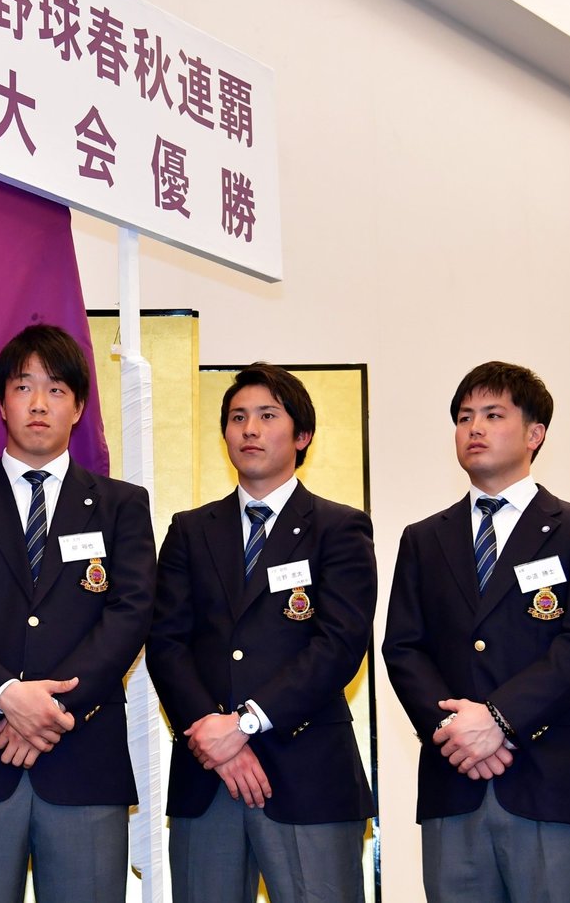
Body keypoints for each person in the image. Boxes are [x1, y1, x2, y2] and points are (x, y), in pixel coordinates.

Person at [0, 324, 156, 903]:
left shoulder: (121, 506)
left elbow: (130, 613)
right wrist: (6, 696)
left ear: (78, 408)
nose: (39, 403)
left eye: (56, 389)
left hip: (84, 758)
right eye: (23, 387)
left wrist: (50, 709)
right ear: (2, 403)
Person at [383, 361, 570, 902]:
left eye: (493, 415)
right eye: (464, 417)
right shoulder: (424, 538)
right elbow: (403, 648)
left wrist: (499, 719)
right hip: (454, 780)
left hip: (551, 782)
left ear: (535, 434)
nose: (475, 428)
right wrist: (456, 731)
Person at [147, 363, 376, 903]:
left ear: (302, 435)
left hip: (309, 776)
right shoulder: (190, 530)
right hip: (208, 776)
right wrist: (215, 737)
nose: (249, 429)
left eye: (267, 416)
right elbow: (166, 644)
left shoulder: (339, 528)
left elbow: (339, 645)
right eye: (237, 417)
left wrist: (247, 723)